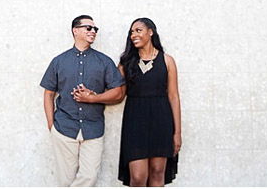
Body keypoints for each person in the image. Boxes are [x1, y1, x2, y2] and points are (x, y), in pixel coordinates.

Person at [40, 15, 125, 186]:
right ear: (75, 30)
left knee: (89, 177)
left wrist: (93, 98)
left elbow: (119, 93)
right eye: (88, 28)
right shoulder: (59, 61)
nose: (93, 31)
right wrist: (52, 125)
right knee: (66, 181)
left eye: (95, 29)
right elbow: (48, 94)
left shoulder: (104, 62)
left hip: (93, 129)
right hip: (64, 128)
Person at [116, 18, 181, 186]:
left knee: (158, 172)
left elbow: (173, 96)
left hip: (161, 120)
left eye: (138, 30)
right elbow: (116, 91)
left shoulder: (167, 61)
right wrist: (92, 95)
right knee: (137, 177)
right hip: (135, 121)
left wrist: (177, 133)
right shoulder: (125, 63)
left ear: (150, 32)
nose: (133, 35)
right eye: (131, 32)